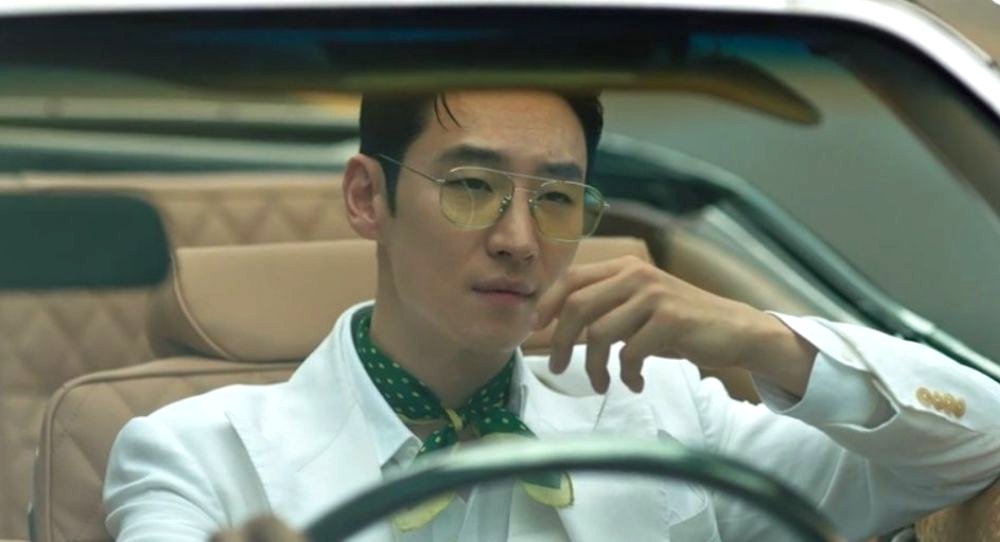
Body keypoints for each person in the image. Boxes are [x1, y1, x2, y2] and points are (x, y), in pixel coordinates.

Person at [103, 90, 1000, 542]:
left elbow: (980, 443)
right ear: (368, 197)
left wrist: (763, 337)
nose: (519, 241)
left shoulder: (664, 413)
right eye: (472, 187)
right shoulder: (193, 454)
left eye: (560, 199)